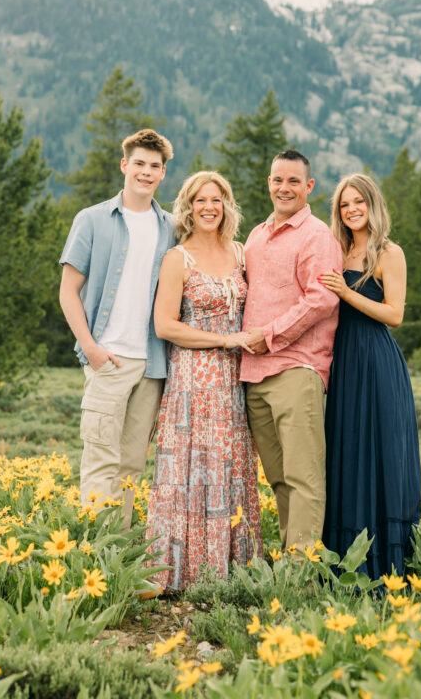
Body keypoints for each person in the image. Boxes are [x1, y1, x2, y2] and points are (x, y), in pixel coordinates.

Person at [147, 171, 262, 591]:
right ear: (188, 207)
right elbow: (164, 325)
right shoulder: (179, 258)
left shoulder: (241, 253)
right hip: (193, 379)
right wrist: (221, 340)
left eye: (217, 200)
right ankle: (183, 572)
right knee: (192, 470)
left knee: (231, 468)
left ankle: (234, 570)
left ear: (227, 205)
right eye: (200, 200)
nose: (209, 207)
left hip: (235, 379)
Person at [59, 127, 175, 525]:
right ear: (125, 165)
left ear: (163, 174)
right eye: (139, 163)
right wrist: (91, 348)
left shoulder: (172, 227)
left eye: (154, 166)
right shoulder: (92, 220)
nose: (146, 172)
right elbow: (68, 291)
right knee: (99, 460)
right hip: (107, 358)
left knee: (130, 468)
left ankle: (118, 563)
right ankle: (93, 559)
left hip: (152, 364)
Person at [319, 173, 421, 579]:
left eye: (359, 202)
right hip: (342, 364)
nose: (352, 210)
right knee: (346, 455)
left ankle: (386, 566)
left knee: (379, 456)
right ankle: (344, 563)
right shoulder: (335, 250)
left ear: (373, 204)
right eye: (345, 205)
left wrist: (346, 293)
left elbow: (394, 315)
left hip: (377, 363)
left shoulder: (388, 252)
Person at [240, 149, 343, 553]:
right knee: (279, 478)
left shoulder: (317, 235)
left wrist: (269, 336)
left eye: (294, 181)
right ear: (269, 183)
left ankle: (301, 571)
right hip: (254, 375)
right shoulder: (255, 235)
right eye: (278, 180)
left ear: (309, 187)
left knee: (303, 477)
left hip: (297, 372)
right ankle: (289, 559)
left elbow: (323, 299)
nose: (285, 188)